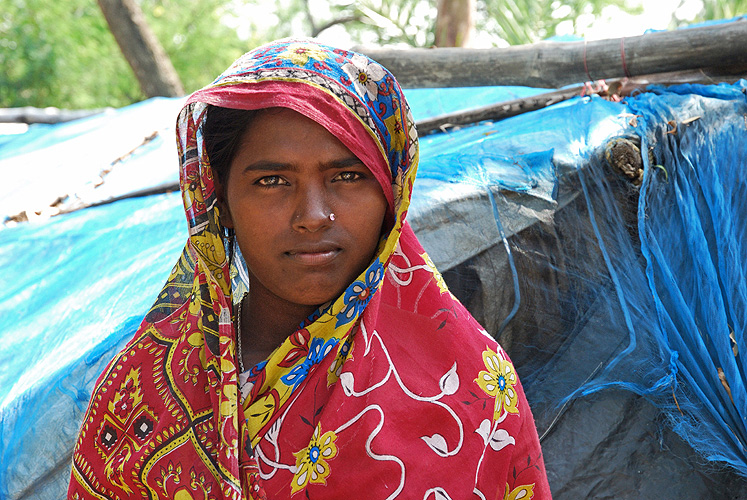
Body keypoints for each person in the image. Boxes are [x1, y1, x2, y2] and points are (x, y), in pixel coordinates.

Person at [68, 39, 551, 500]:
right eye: (272, 181)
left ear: (390, 194)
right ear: (221, 202)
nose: (314, 214)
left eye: (347, 176)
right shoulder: (141, 394)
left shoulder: (467, 384)